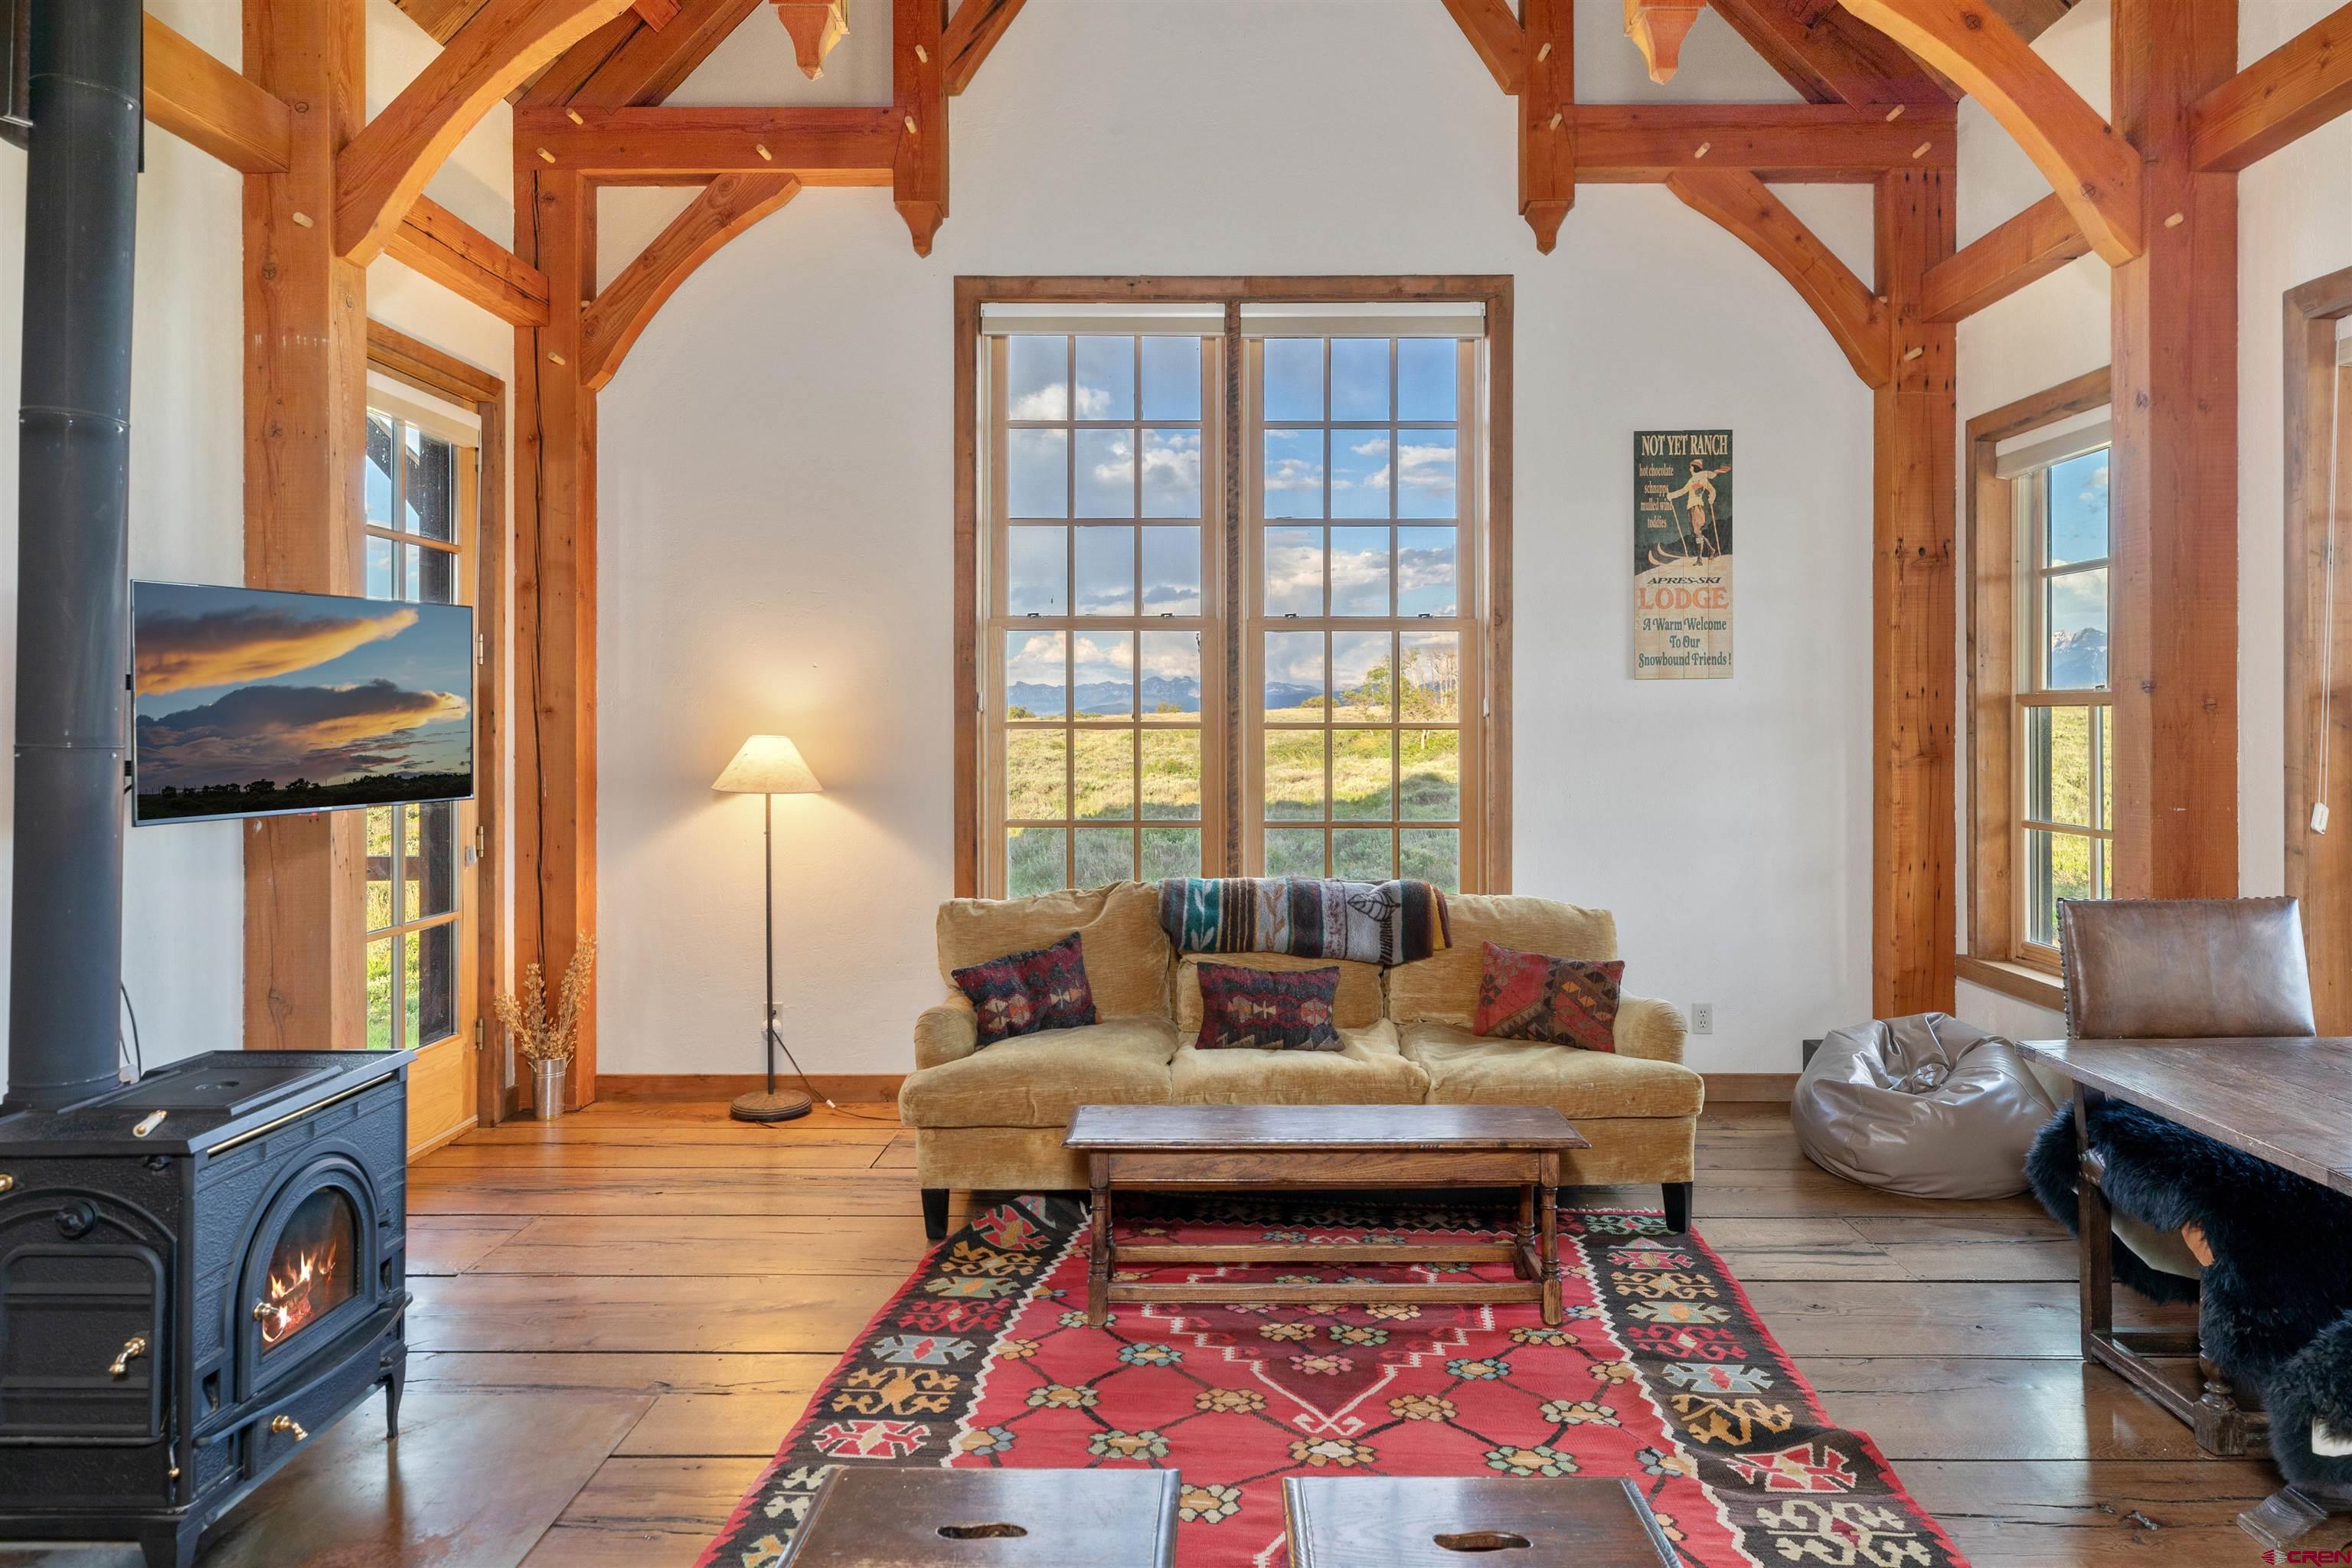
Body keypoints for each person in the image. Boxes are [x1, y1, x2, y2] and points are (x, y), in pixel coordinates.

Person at [1667, 457, 1732, 560]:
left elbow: (1712, 490)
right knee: (1696, 534)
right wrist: (1671, 495)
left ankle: (1699, 558)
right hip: (1690, 508)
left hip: (1698, 507)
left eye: (1691, 467)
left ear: (1695, 468)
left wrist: (1711, 498)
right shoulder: (1691, 480)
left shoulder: (1703, 479)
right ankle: (1711, 550)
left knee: (1697, 532)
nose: (1689, 469)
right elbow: (1682, 491)